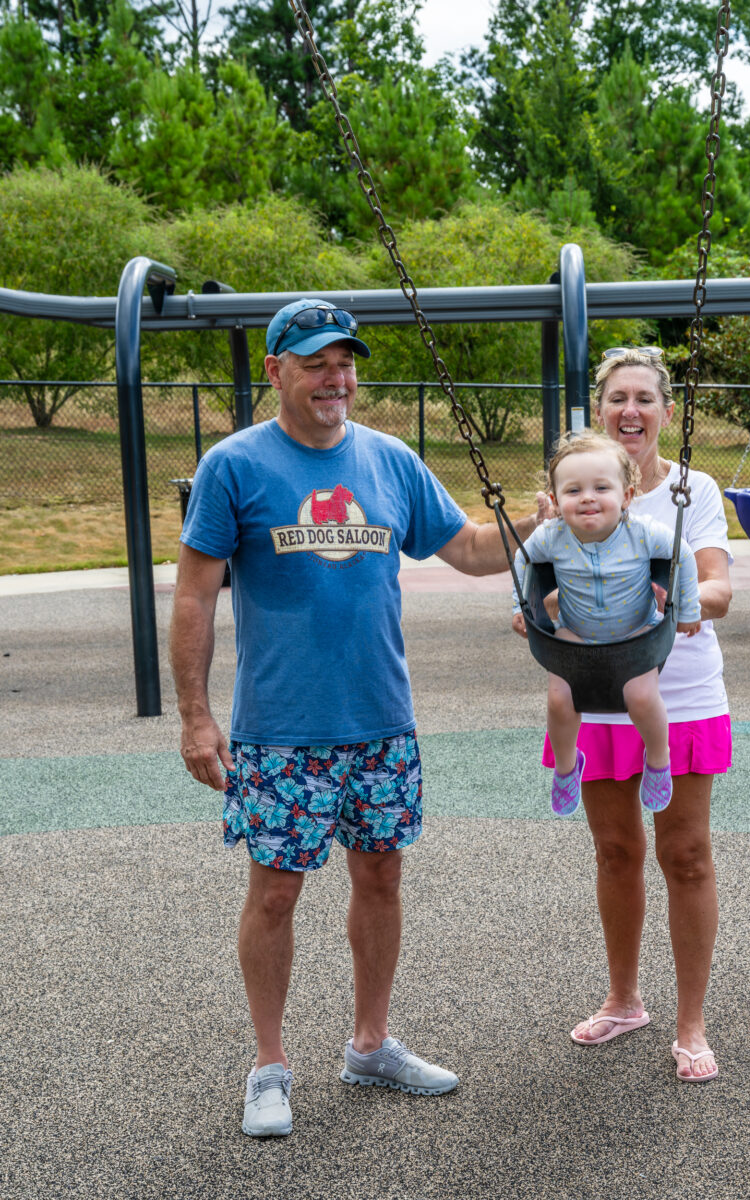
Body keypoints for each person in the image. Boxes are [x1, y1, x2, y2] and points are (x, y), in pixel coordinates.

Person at [170, 298, 542, 1136]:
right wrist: (196, 716)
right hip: (280, 730)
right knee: (274, 895)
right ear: (275, 371)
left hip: (382, 721)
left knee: (381, 877)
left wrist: (541, 522)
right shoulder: (235, 467)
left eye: (345, 363)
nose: (335, 379)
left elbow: (473, 550)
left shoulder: (390, 461)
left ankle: (369, 1045)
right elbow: (195, 594)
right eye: (315, 363)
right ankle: (269, 1065)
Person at [516, 347, 732, 1081]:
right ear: (599, 411)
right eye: (617, 398)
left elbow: (714, 581)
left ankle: (692, 1021)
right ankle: (624, 998)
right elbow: (541, 582)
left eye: (645, 397)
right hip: (589, 682)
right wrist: (537, 608)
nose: (631, 410)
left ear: (667, 411)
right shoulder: (575, 489)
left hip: (680, 687)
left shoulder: (690, 490)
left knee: (687, 854)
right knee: (616, 851)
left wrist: (695, 605)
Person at [511, 430, 701, 817]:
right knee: (559, 698)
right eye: (573, 490)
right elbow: (523, 559)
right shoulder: (553, 536)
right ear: (555, 498)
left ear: (626, 496)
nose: (588, 498)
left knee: (642, 697)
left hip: (636, 633)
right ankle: (566, 768)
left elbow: (683, 552)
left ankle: (658, 759)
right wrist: (518, 607)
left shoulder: (642, 534)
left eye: (601, 487)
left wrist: (690, 610)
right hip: (574, 633)